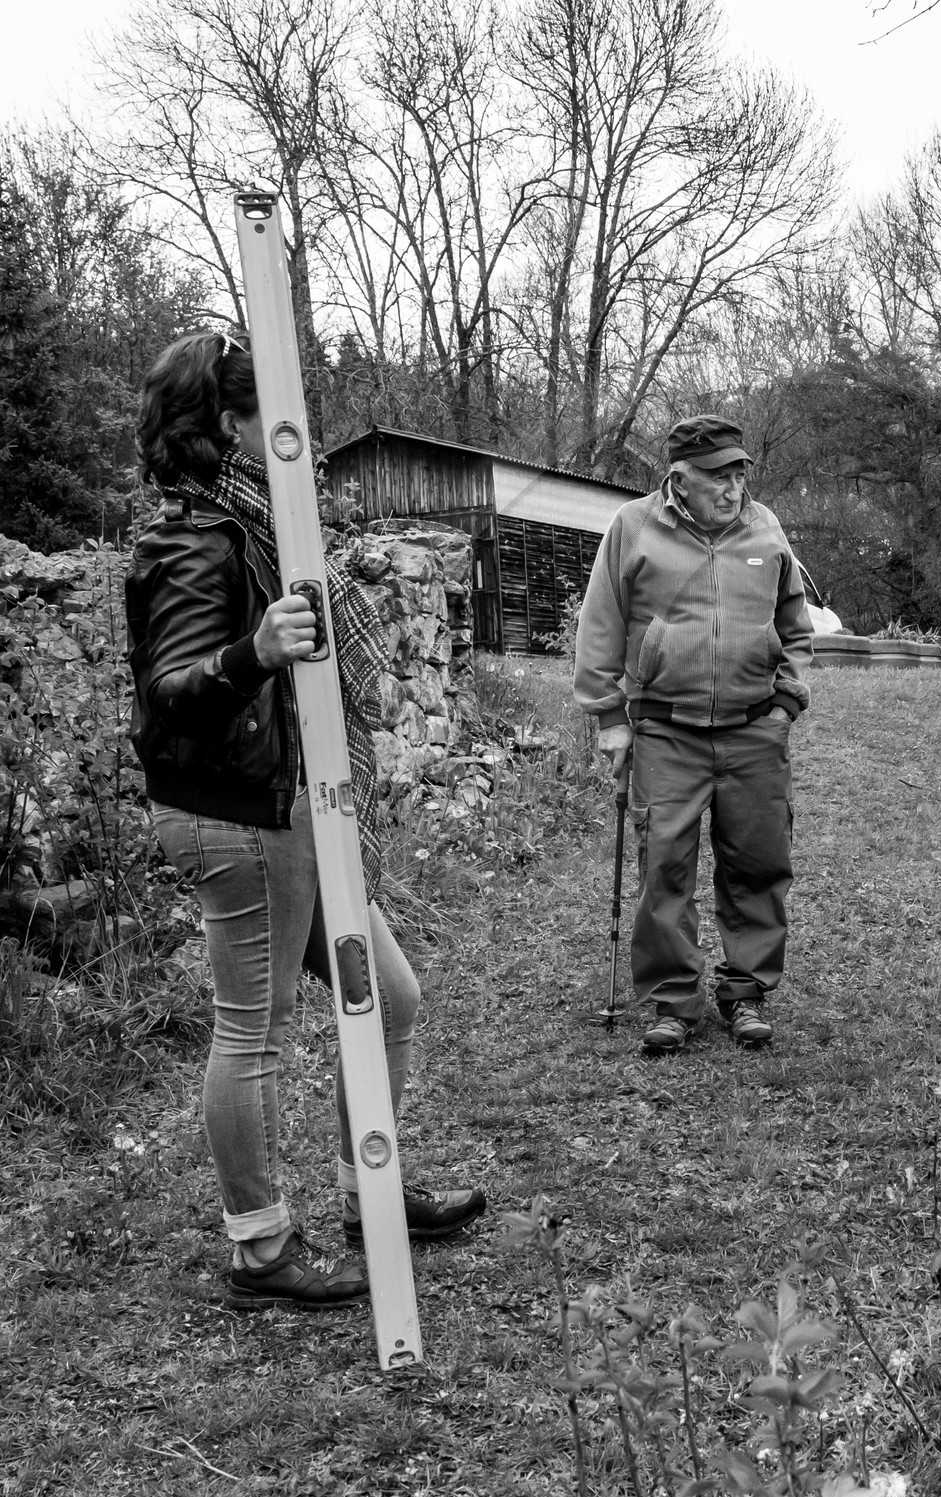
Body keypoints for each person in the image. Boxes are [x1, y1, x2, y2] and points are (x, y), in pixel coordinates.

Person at [126, 330, 485, 1312]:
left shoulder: (256, 524)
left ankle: (365, 1187)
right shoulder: (191, 539)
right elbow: (169, 690)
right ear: (228, 426)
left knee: (393, 996)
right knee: (256, 1034)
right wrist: (252, 652)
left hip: (299, 803)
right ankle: (258, 1247)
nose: (294, 437)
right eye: (271, 419)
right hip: (240, 816)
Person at [574, 413, 813, 1054]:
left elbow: (795, 624)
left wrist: (786, 702)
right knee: (665, 870)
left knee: (758, 864)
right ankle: (672, 1001)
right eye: (716, 475)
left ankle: (746, 993)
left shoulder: (765, 528)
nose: (732, 487)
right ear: (678, 477)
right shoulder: (633, 527)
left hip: (754, 728)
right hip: (665, 731)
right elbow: (601, 622)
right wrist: (608, 717)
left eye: (739, 472)